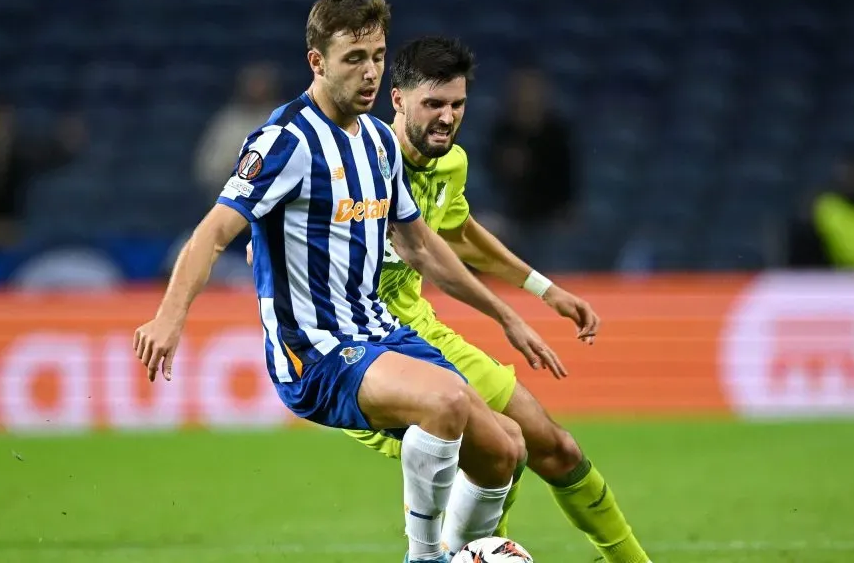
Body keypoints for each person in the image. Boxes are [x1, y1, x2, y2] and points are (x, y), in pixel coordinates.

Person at [132, 0, 564, 563]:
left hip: (378, 332)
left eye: (378, 56)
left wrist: (505, 312)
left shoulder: (381, 142)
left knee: (505, 450)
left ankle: (461, 554)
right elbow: (212, 233)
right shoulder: (285, 142)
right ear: (317, 62)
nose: (370, 72)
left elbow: (418, 244)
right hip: (313, 349)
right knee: (446, 404)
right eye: (354, 58)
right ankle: (425, 557)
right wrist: (169, 316)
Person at [250, 36, 652, 563]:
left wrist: (543, 290)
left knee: (554, 447)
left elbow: (458, 232)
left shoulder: (450, 164)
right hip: (365, 347)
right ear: (397, 100)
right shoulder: (361, 159)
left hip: (424, 330)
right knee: (491, 449)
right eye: (433, 105)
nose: (446, 118)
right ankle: (449, 553)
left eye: (457, 105)